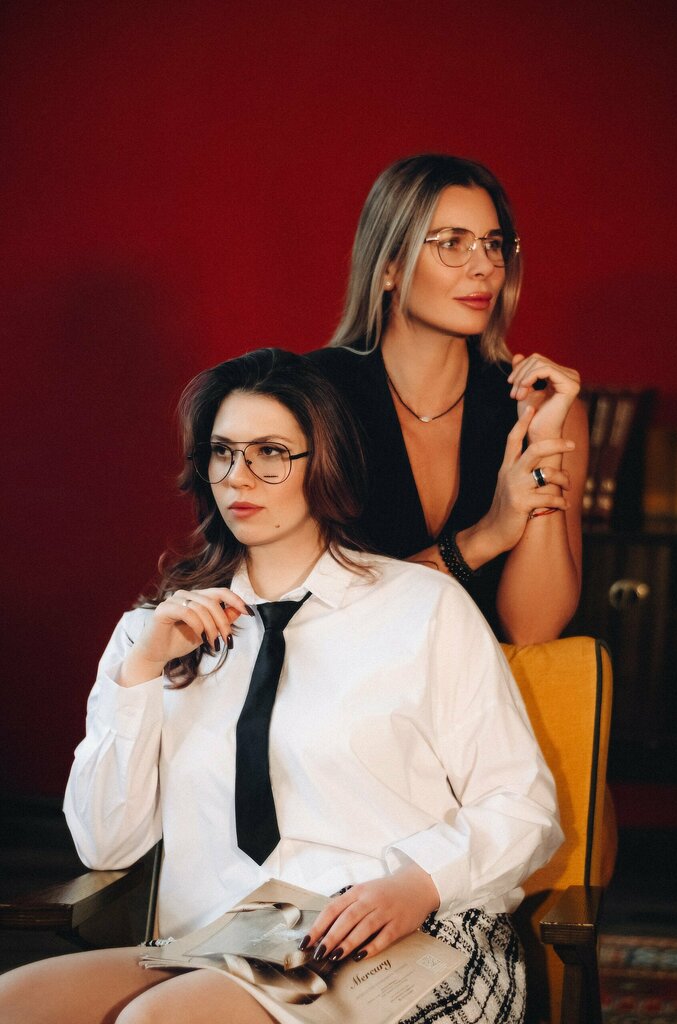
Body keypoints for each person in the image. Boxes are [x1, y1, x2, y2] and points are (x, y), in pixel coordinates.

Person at [0, 349, 562, 1024]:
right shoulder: (153, 635)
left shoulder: (424, 607)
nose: (239, 477)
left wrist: (418, 884)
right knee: (14, 1005)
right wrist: (140, 673)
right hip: (223, 944)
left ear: (325, 462)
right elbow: (104, 845)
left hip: (403, 931)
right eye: (222, 452)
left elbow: (523, 805)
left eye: (270, 453)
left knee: (155, 1021)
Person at [308, 153, 589, 644]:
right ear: (390, 266)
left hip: (482, 685)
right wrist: (484, 538)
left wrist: (542, 447)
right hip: (342, 684)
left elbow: (533, 630)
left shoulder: (541, 407)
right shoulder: (308, 399)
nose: (485, 267)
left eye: (494, 244)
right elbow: (311, 612)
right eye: (452, 243)